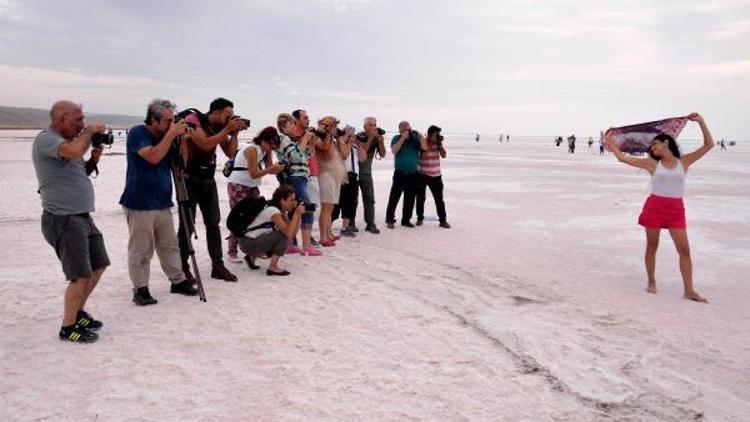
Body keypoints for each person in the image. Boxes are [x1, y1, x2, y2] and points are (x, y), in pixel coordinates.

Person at [605, 112, 713, 303]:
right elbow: (622, 158)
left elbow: (708, 145)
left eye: (655, 144)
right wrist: (611, 142)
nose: (652, 148)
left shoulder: (684, 162)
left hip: (676, 210)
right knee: (652, 245)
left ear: (665, 143)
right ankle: (651, 280)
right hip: (655, 207)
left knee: (684, 250)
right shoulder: (652, 164)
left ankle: (689, 290)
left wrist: (701, 122)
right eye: (652, 146)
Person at [32, 100, 109, 343]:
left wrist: (95, 156)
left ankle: (78, 312)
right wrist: (88, 133)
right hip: (63, 218)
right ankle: (68, 327)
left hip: (82, 215)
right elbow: (75, 152)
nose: (82, 124)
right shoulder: (47, 140)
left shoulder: (68, 144)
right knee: (79, 275)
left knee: (98, 266)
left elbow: (78, 168)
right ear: (61, 119)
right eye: (78, 120)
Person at [119, 99, 199, 306]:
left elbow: (181, 165)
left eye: (173, 120)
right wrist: (172, 134)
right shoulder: (138, 133)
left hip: (162, 201)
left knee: (169, 245)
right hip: (139, 202)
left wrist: (181, 141)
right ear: (153, 120)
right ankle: (140, 289)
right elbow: (153, 157)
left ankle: (178, 281)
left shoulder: (167, 137)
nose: (171, 124)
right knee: (141, 249)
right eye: (167, 121)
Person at [178, 98, 247, 283]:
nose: (230, 118)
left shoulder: (220, 128)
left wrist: (234, 134)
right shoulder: (194, 120)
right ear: (215, 113)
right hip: (188, 179)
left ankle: (218, 266)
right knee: (187, 225)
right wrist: (226, 129)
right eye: (228, 115)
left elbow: (231, 153)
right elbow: (205, 144)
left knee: (213, 224)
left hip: (207, 180)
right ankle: (182, 266)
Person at [226, 126, 285, 262]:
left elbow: (270, 170)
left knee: (255, 215)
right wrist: (271, 168)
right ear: (263, 141)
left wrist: (279, 168)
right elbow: (253, 173)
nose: (271, 148)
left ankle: (252, 249)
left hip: (253, 186)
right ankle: (232, 251)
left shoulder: (265, 150)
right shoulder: (251, 149)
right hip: (238, 185)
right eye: (271, 145)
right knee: (238, 217)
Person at [276, 113, 322, 256]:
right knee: (306, 208)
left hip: (300, 177)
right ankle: (306, 246)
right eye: (291, 124)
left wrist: (311, 144)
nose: (294, 126)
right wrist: (305, 139)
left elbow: (304, 157)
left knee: (293, 210)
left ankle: (291, 245)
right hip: (295, 177)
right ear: (283, 126)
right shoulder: (282, 139)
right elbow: (295, 156)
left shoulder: (288, 140)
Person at [238, 185, 305, 276]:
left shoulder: (280, 211)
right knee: (282, 236)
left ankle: (251, 257)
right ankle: (272, 267)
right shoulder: (273, 211)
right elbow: (288, 234)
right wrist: (296, 215)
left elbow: (292, 233)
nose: (294, 203)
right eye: (291, 200)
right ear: (282, 201)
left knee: (284, 236)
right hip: (247, 243)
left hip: (249, 240)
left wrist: (298, 216)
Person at [315, 116, 348, 246]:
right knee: (326, 207)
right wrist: (326, 133)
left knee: (331, 206)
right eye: (333, 125)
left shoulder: (332, 138)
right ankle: (323, 237)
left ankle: (328, 234)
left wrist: (338, 137)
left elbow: (344, 155)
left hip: (334, 174)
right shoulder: (318, 137)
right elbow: (327, 152)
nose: (336, 128)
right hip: (325, 174)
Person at [385, 121, 422, 228]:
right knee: (394, 197)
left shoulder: (415, 140)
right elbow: (394, 150)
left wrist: (418, 134)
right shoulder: (396, 138)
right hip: (400, 173)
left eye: (407, 127)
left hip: (413, 173)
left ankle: (406, 220)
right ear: (399, 129)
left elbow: (424, 147)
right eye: (403, 127)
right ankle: (390, 220)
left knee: (410, 198)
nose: (406, 129)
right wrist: (402, 138)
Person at [356, 117, 386, 233]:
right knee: (353, 199)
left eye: (375, 125)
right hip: (355, 171)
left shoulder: (376, 137)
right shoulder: (359, 136)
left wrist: (381, 141)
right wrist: (371, 138)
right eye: (370, 125)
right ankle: (350, 223)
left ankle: (370, 223)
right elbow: (362, 153)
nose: (373, 127)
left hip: (367, 172)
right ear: (365, 127)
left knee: (369, 198)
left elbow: (382, 154)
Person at [416, 125, 451, 229]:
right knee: (420, 198)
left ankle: (443, 220)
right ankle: (420, 218)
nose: (437, 136)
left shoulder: (438, 144)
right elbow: (423, 149)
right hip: (422, 174)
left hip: (436, 175)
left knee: (439, 199)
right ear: (430, 134)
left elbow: (444, 155)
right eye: (435, 134)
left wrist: (440, 145)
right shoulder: (423, 142)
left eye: (438, 134)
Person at [333, 124, 364, 237]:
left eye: (353, 133)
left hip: (353, 176)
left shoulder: (354, 147)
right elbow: (344, 155)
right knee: (337, 203)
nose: (352, 136)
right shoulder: (338, 144)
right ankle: (328, 225)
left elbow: (363, 158)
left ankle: (345, 227)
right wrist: (349, 142)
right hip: (341, 175)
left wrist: (359, 145)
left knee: (350, 202)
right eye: (349, 133)